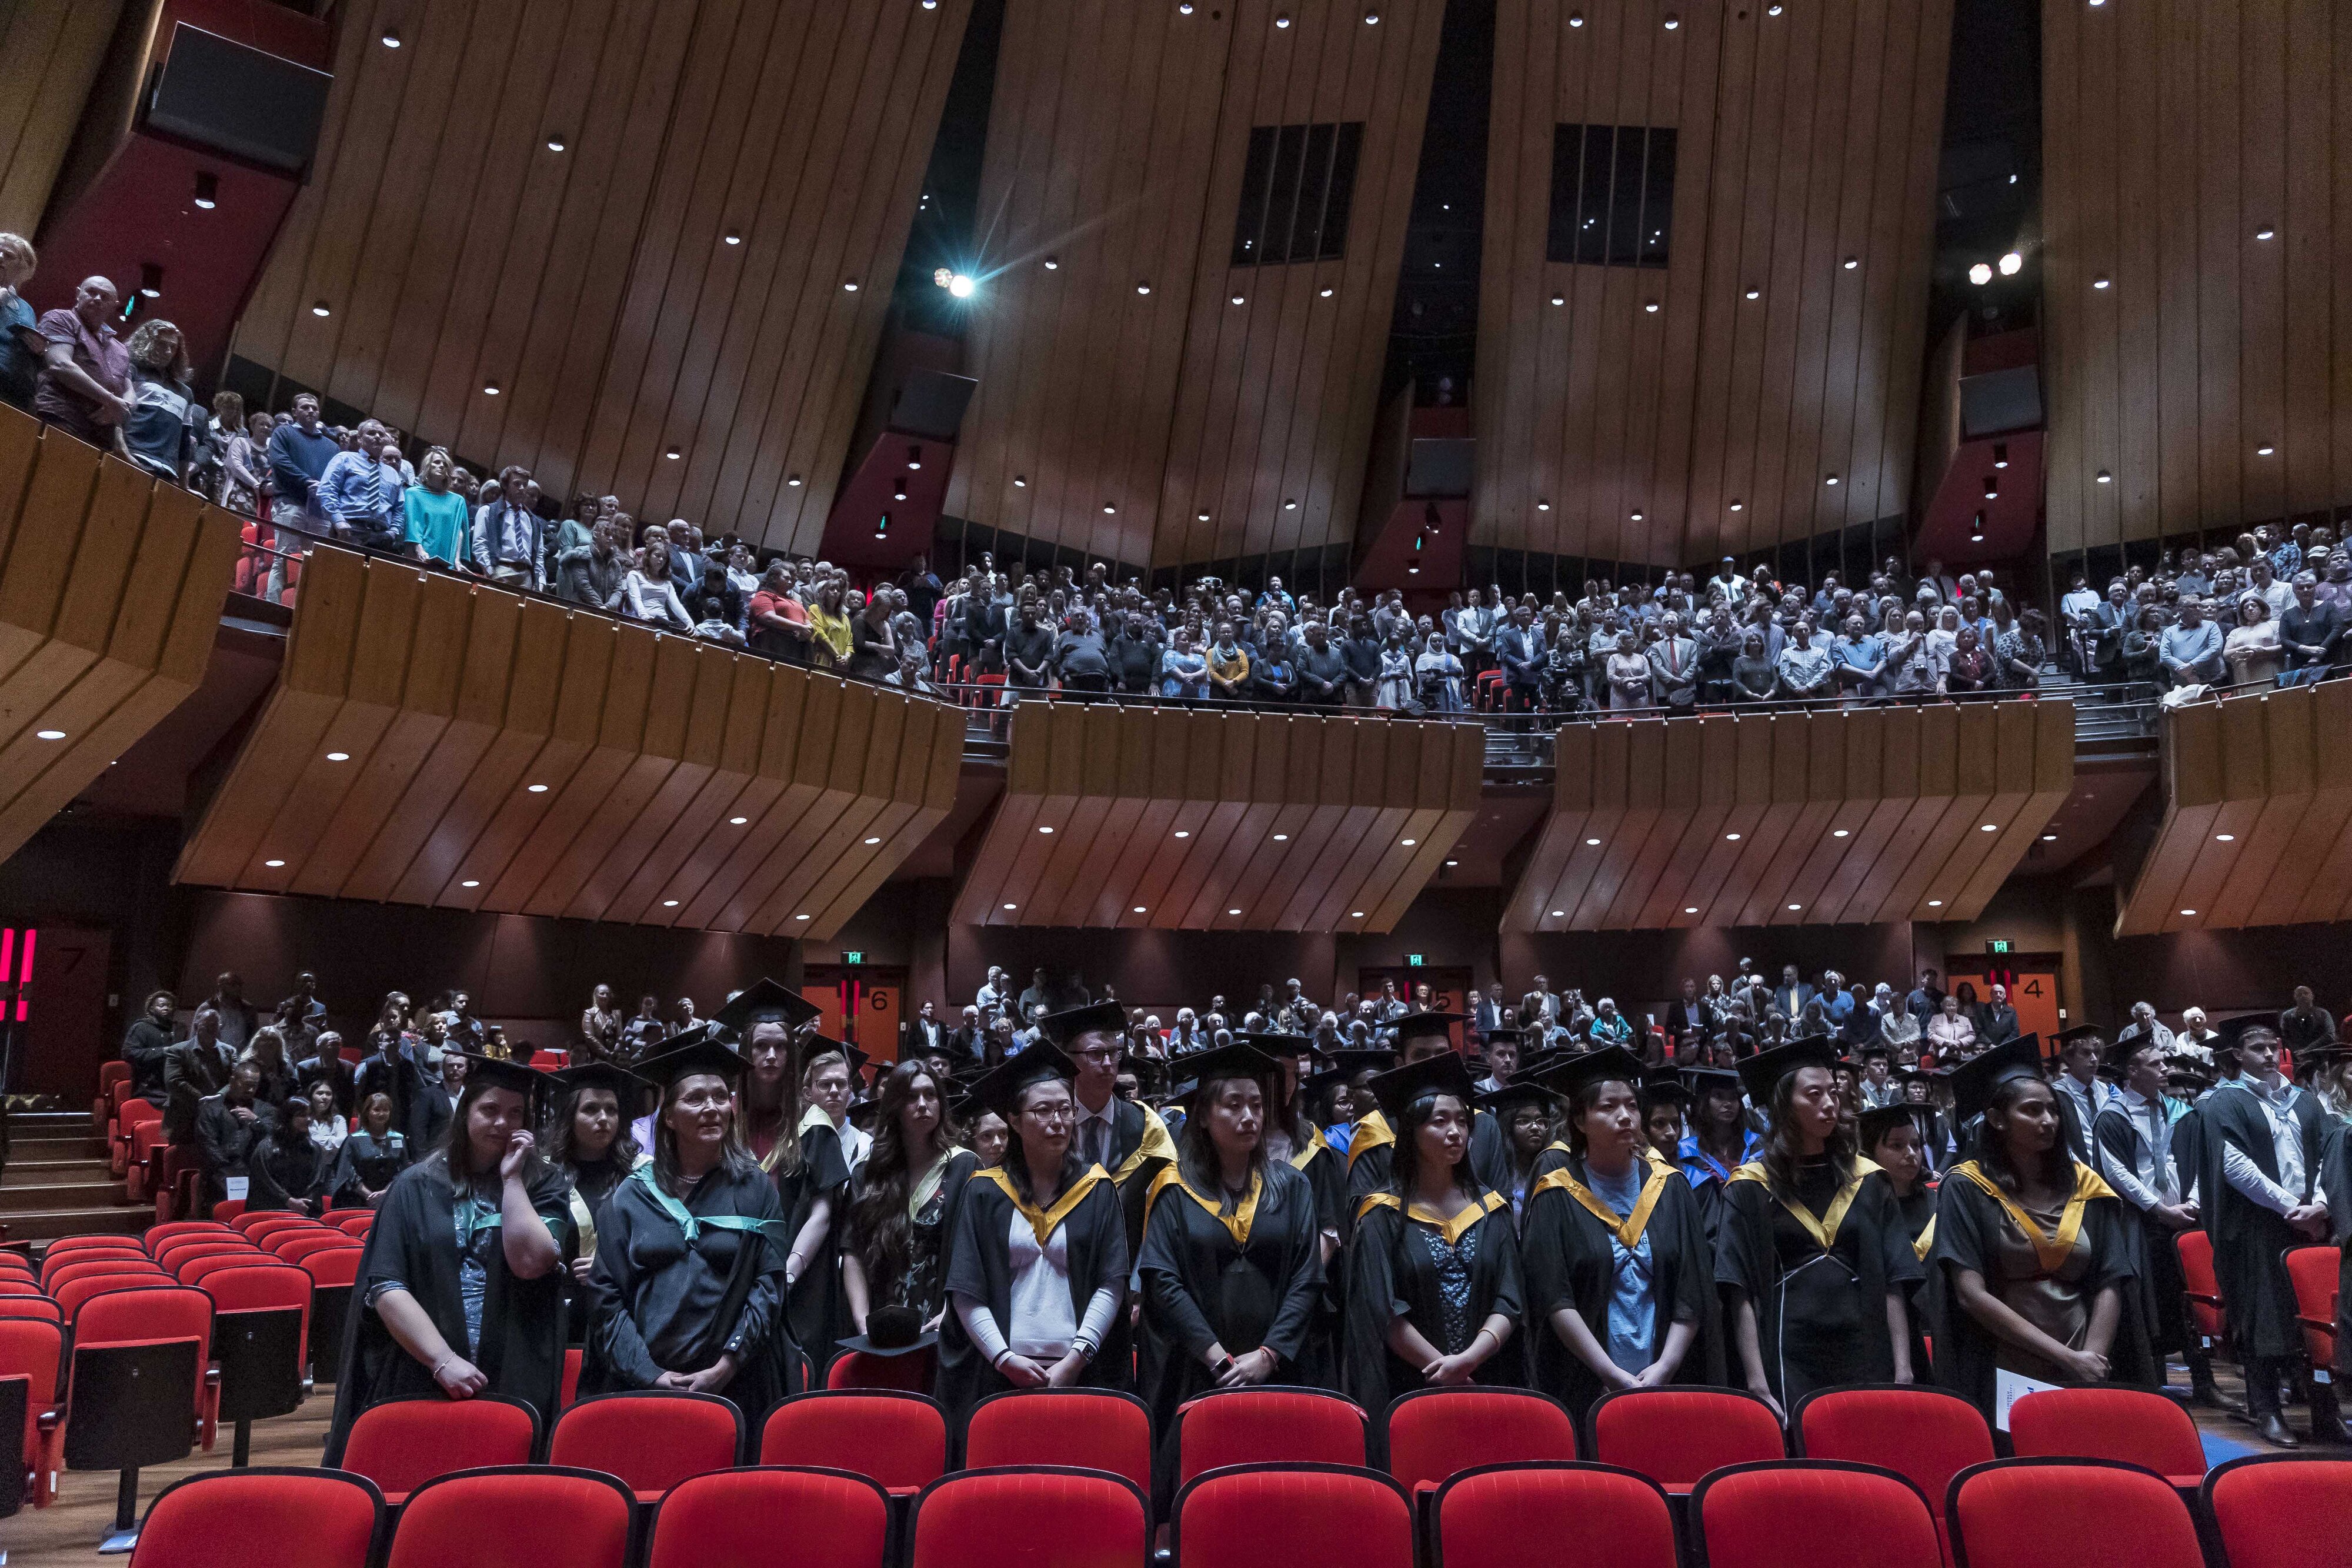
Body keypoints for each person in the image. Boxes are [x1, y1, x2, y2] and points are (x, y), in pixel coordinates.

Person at [322, 1056, 568, 1462]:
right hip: (422, 1369)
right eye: (489, 1110)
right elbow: (386, 1286)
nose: (502, 1124)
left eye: (515, 1113)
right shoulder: (414, 1185)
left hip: (513, 1370)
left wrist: (512, 1180)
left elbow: (532, 1263)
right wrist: (442, 1361)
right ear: (465, 1111)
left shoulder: (542, 1181)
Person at [1136, 1043, 1326, 1511]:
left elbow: (1307, 1275)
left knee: (1279, 1496)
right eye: (1233, 1104)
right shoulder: (1173, 1188)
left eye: (1257, 1105)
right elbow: (1162, 1280)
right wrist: (1218, 1358)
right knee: (1203, 1498)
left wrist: (1269, 1354)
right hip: (1198, 1373)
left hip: (1280, 1370)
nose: (1249, 1117)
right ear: (1202, 1116)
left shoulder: (1291, 1185)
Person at [1928, 1037, 2150, 1426]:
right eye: (2031, 1111)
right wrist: (2064, 1358)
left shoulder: (2085, 1185)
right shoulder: (1966, 1187)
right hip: (2000, 1358)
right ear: (1997, 1120)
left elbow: (2111, 1278)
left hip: (2084, 1355)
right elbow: (1968, 1293)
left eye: (2052, 1109)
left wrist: (2089, 1362)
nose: (2047, 1121)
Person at [578, 1033, 796, 1409]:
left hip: (737, 1384)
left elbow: (769, 1286)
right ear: (669, 1118)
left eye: (720, 1096)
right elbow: (605, 1297)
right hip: (642, 1384)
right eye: (694, 1099)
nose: (712, 1107)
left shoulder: (755, 1188)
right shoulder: (632, 1196)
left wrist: (727, 1364)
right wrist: (649, 1373)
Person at [1716, 1037, 1921, 1416]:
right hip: (1788, 1355)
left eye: (1832, 1092)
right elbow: (1738, 1292)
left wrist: (1904, 1370)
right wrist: (1757, 1385)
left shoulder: (1870, 1180)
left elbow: (1895, 1280)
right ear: (1784, 1106)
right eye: (1814, 1095)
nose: (1829, 1103)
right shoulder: (1749, 1187)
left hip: (1865, 1347)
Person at [936, 1043, 1130, 1429]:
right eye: (1043, 1111)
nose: (1057, 1121)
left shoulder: (1097, 1189)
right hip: (998, 1372)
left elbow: (1111, 1283)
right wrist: (1003, 1358)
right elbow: (965, 1288)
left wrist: (1075, 1360)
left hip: (1081, 1373)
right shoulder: (984, 1192)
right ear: (1014, 1120)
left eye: (1065, 1109)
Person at [1520, 1047, 1720, 1420]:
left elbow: (1692, 1290)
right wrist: (1611, 1374)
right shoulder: (1556, 1194)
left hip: (1667, 1376)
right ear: (1580, 1120)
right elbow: (1554, 1297)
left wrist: (1664, 1369)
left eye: (1631, 1105)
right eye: (1608, 1107)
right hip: (1584, 1379)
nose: (1625, 1116)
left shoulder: (1671, 1188)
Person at [1340, 1052, 1524, 1409]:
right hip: (1411, 1386)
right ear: (1411, 1131)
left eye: (1462, 1121)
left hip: (1488, 1375)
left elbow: (1510, 1298)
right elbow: (1383, 1309)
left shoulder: (1491, 1209)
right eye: (1439, 1121)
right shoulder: (1380, 1214)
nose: (1455, 1132)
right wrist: (1447, 1371)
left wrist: (1469, 1360)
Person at [2194, 1020, 2336, 1445]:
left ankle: (2325, 1413)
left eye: (2273, 1047)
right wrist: (2289, 1206)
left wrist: (2321, 1205)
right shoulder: (2224, 1102)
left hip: (2308, 1224)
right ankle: (2267, 1411)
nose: (2270, 1055)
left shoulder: (2305, 1102)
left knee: (2312, 1320)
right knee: (2264, 1320)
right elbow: (2234, 1165)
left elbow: (2327, 1157)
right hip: (2256, 1226)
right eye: (2258, 1049)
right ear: (2237, 1055)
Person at [712, 982, 852, 1362]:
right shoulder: (723, 1119)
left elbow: (823, 1213)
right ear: (746, 1051)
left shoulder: (813, 1123)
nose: (771, 1055)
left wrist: (785, 1275)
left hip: (795, 1281)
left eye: (780, 1047)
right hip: (727, 1277)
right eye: (761, 1046)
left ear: (793, 1054)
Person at [2092, 1034, 2220, 1406]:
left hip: (2184, 1221)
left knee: (2190, 1302)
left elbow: (2196, 1160)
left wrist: (2192, 1203)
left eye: (2165, 1063)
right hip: (2141, 1224)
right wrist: (2159, 1209)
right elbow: (2115, 1172)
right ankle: (2154, 1387)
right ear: (2132, 1071)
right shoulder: (2113, 1116)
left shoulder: (2180, 1111)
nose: (2166, 1069)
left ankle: (2205, 1381)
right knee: (2149, 1304)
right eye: (2155, 1064)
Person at [842, 1059, 976, 1339]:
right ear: (894, 1106)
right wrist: (863, 1322)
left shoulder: (964, 1166)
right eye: (911, 1097)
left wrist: (951, 1313)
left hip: (946, 1327)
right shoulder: (869, 1173)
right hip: (881, 1328)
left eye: (931, 1095)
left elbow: (976, 1252)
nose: (923, 1104)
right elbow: (853, 1251)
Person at [32, 275, 132, 449]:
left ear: (115, 306)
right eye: (91, 292)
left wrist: (122, 409)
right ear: (79, 294)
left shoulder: (121, 349)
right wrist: (110, 401)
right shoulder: (61, 318)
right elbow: (60, 365)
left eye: (105, 296)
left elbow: (129, 390)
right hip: (61, 417)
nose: (98, 298)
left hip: (102, 437)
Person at [194, 1059, 272, 1215]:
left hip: (257, 1178)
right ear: (232, 1081)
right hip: (219, 1179)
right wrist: (231, 1174)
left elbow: (274, 1139)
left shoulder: (265, 1110)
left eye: (254, 1086)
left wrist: (256, 1122)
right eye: (246, 1084)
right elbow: (207, 1145)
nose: (250, 1090)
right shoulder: (211, 1109)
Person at [245, 1093, 335, 1215]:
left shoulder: (313, 1148)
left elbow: (317, 1181)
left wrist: (302, 1204)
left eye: (310, 1115)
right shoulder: (266, 1148)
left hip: (304, 1209)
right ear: (288, 1118)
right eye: (302, 1115)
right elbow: (265, 1181)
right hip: (271, 1209)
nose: (309, 1120)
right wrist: (288, 1200)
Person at [331, 1092, 410, 1208]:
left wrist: (386, 1193)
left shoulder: (398, 1138)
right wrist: (370, 1196)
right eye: (377, 1110)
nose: (381, 1114)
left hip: (390, 1199)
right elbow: (347, 1172)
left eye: (385, 1110)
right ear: (367, 1112)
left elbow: (403, 1171)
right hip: (358, 1201)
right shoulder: (354, 1140)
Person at [0, 232, 39, 414]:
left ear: (23, 269)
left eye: (8, 255)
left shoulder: (26, 309)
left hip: (15, 394)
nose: (0, 257)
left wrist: (39, 350)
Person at [121, 988, 176, 1107]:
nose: (166, 1008)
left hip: (172, 1083)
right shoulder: (141, 1027)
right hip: (149, 1086)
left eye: (169, 1006)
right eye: (162, 1006)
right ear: (152, 1009)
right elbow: (129, 1053)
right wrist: (162, 1051)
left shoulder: (177, 1029)